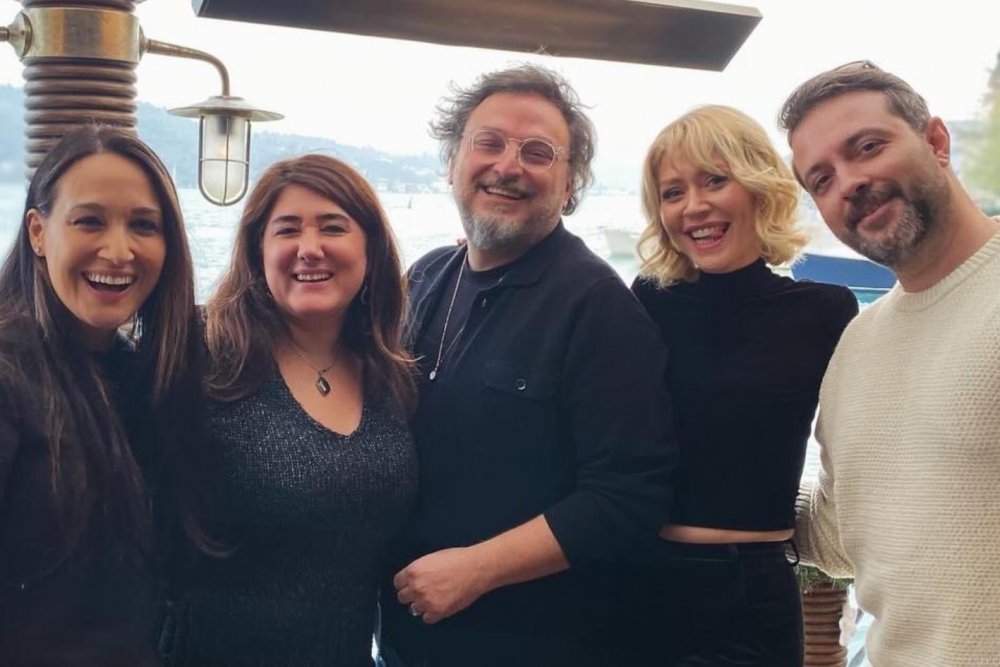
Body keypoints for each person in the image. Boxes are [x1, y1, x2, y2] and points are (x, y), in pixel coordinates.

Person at [380, 64, 677, 667]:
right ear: (453, 163)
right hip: (408, 640)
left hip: (539, 643)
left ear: (570, 186)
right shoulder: (427, 276)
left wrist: (477, 569)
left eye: (537, 152)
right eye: (488, 143)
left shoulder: (598, 307)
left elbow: (630, 497)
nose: (508, 166)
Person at [780, 61, 1000, 667]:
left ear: (936, 141)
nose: (849, 183)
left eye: (868, 147)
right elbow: (840, 535)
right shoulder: (856, 347)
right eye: (822, 179)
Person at [160, 154, 417, 666]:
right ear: (258, 250)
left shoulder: (390, 373)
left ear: (370, 249)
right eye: (287, 229)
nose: (309, 247)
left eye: (333, 227)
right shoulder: (200, 351)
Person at [624, 105, 857, 666]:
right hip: (635, 582)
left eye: (714, 180)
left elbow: (860, 451)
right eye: (673, 192)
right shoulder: (649, 300)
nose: (693, 205)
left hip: (752, 596)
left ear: (758, 187)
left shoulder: (825, 311)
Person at [0, 126, 205, 665]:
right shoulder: (9, 376)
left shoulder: (141, 375)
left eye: (143, 225)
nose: (118, 251)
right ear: (38, 232)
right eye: (89, 221)